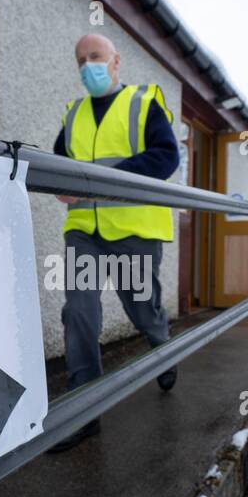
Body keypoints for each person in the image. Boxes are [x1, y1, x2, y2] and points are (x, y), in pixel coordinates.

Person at [48, 32, 180, 453]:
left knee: (142, 309)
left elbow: (166, 157)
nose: (89, 66)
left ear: (116, 61)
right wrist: (59, 182)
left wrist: (105, 179)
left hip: (133, 229)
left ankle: (162, 347)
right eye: (81, 60)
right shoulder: (74, 113)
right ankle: (83, 410)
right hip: (84, 228)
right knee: (79, 311)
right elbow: (57, 162)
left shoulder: (143, 104)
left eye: (97, 57)